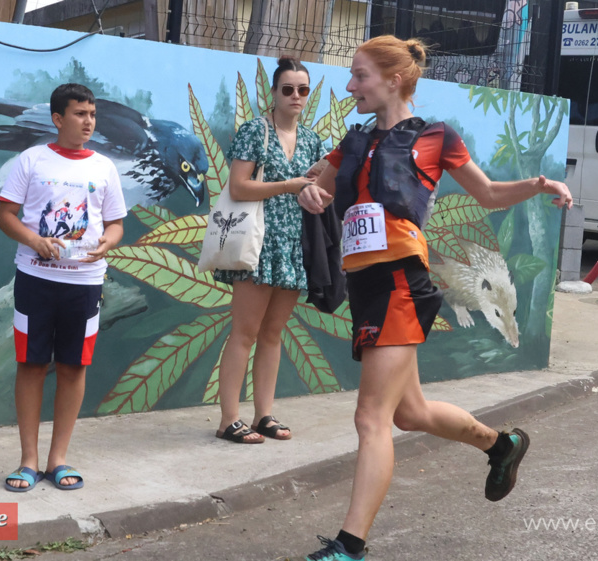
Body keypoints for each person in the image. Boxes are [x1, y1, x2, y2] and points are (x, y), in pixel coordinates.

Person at [292, 36, 573, 559]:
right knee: (410, 413)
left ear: (394, 79)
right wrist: (309, 192)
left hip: (402, 280)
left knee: (370, 418)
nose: (350, 86)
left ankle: (349, 546)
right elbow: (319, 190)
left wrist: (537, 184)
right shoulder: (351, 143)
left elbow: (486, 193)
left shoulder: (435, 137)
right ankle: (502, 445)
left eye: (360, 76)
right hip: (364, 285)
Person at [0, 83, 127, 492]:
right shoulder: (31, 160)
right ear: (57, 118)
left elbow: (116, 223)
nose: (88, 121)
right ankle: (28, 462)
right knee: (32, 365)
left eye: (92, 114)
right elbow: (5, 216)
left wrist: (109, 241)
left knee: (73, 367)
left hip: (85, 284)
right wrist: (35, 241)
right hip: (36, 279)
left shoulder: (105, 167)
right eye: (79, 114)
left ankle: (59, 460)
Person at [213, 57, 327, 444]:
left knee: (274, 333)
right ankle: (229, 418)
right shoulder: (254, 132)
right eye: (288, 89)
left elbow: (315, 191)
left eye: (303, 90)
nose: (296, 96)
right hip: (257, 242)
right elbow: (238, 188)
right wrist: (289, 184)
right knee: (244, 332)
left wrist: (318, 185)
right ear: (274, 93)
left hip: (294, 244)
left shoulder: (312, 139)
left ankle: (264, 414)